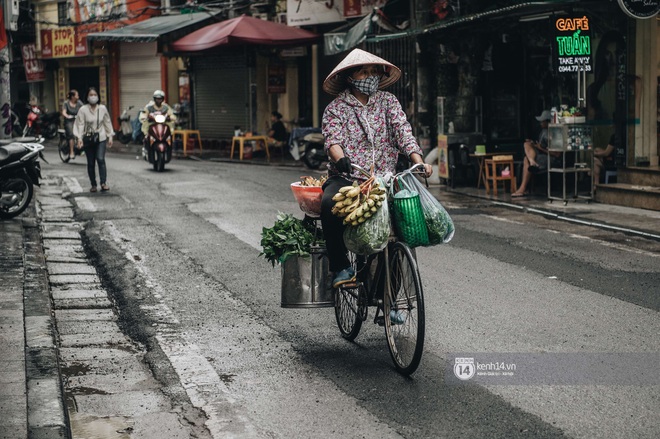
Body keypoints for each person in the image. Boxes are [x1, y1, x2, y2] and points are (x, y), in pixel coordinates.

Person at [320, 48, 433, 288]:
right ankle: (340, 267)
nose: (370, 76)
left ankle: (389, 299)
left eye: (374, 72)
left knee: (398, 229)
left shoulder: (388, 101)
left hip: (385, 178)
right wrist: (340, 158)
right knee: (329, 203)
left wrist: (417, 160)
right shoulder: (336, 108)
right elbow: (333, 140)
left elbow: (403, 132)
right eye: (364, 72)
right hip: (348, 177)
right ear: (350, 77)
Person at [73, 87, 114, 192]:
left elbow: (107, 122)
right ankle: (93, 184)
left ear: (98, 96)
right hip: (88, 138)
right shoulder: (83, 109)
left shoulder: (103, 108)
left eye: (95, 95)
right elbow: (80, 124)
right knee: (91, 162)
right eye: (91, 95)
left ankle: (103, 183)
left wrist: (110, 136)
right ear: (87, 97)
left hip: (101, 137)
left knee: (100, 159)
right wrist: (79, 138)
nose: (93, 97)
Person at [511, 110, 558, 198]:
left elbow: (557, 154)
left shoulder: (554, 134)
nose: (540, 123)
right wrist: (535, 145)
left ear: (548, 122)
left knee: (526, 160)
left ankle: (522, 189)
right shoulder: (543, 131)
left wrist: (541, 148)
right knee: (527, 144)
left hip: (550, 157)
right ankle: (532, 161)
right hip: (540, 154)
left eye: (542, 121)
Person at [61, 89, 82, 159]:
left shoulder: (79, 103)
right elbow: (64, 112)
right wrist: (67, 116)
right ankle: (71, 151)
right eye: (77, 95)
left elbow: (84, 109)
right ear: (72, 97)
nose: (78, 97)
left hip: (77, 121)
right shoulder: (66, 103)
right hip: (69, 121)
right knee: (71, 134)